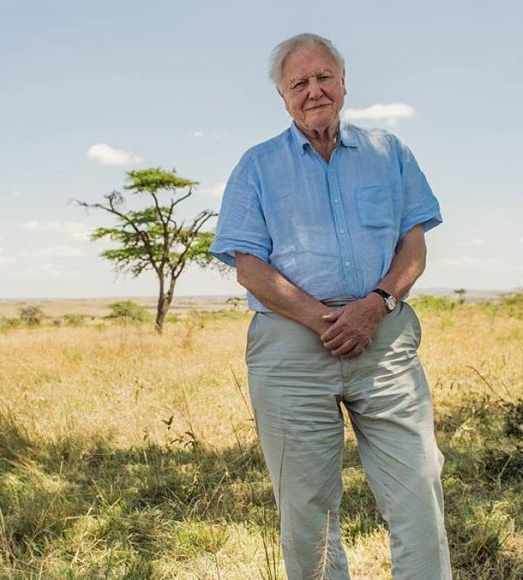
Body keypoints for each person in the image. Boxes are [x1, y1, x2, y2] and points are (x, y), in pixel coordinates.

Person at [210, 33, 451, 579]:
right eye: (299, 83)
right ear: (283, 95)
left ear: (344, 83)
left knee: (418, 489)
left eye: (324, 78)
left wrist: (375, 305)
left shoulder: (391, 154)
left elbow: (413, 247)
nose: (313, 90)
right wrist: (325, 320)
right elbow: (249, 266)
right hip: (292, 345)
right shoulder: (256, 166)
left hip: (383, 337)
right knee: (307, 508)